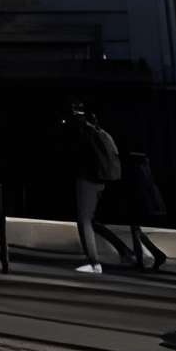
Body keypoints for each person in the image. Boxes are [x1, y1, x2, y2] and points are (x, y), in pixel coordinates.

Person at [65, 104, 128, 273]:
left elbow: (78, 155)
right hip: (102, 180)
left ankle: (93, 263)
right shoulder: (101, 132)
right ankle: (125, 251)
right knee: (92, 221)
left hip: (88, 179)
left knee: (84, 220)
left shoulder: (84, 132)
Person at [113, 148, 171, 272]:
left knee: (135, 230)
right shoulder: (145, 174)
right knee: (136, 230)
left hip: (142, 204)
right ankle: (155, 254)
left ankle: (144, 259)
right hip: (145, 203)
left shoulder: (139, 177)